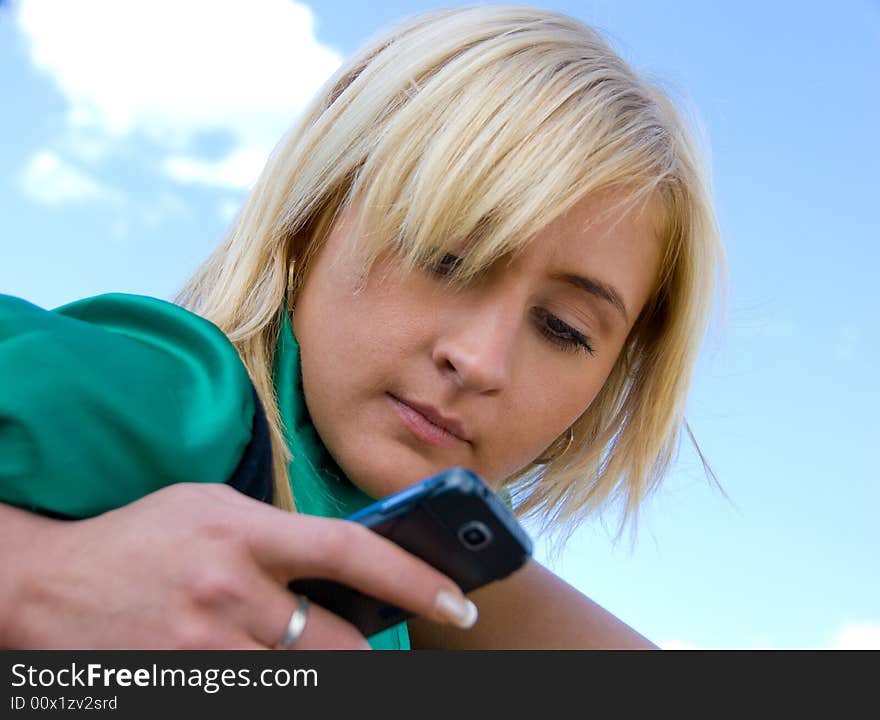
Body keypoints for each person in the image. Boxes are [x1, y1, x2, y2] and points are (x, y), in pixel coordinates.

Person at [0, 5, 724, 649]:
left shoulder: (425, 564)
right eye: (443, 257)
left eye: (563, 329)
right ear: (313, 221)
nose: (480, 360)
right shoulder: (184, 400)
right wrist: (29, 579)